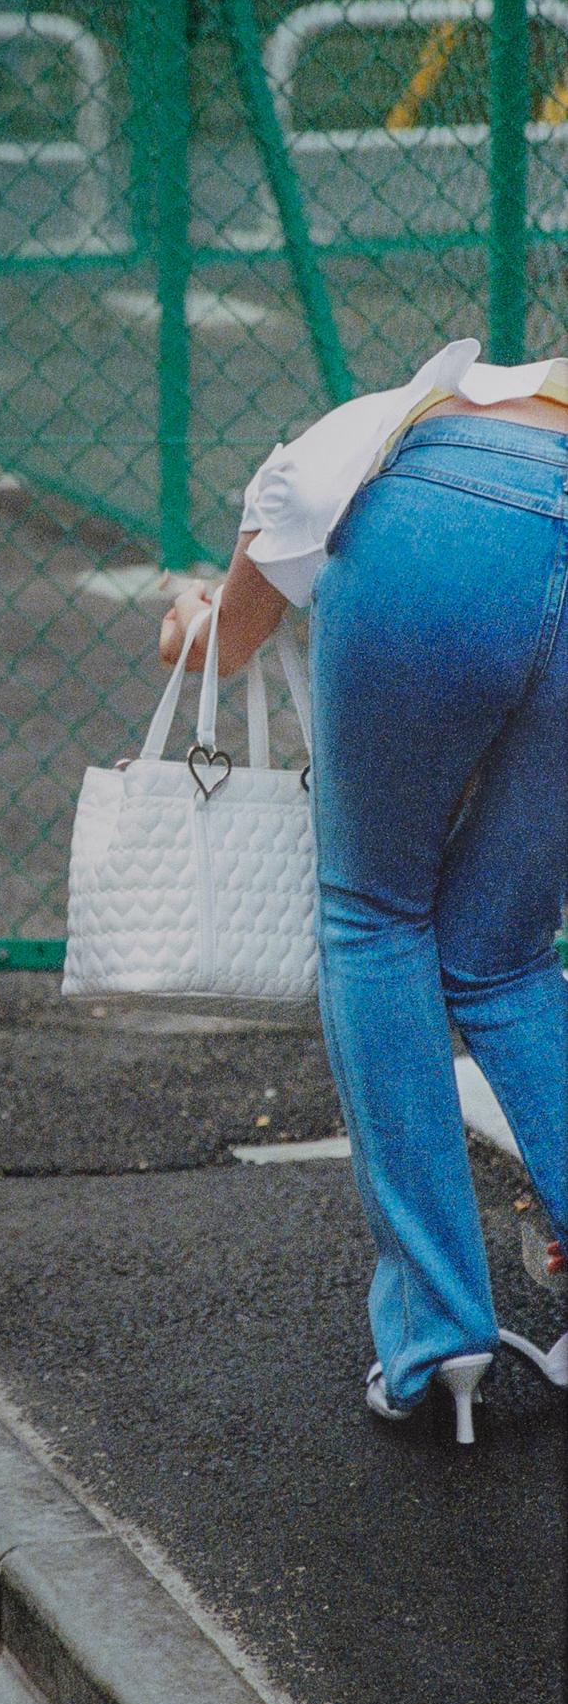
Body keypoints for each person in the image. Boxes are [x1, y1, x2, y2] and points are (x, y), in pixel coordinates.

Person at [159, 338, 568, 1442]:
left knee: (372, 914)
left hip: (441, 528)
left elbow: (221, 646)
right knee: (502, 954)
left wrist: (186, 612)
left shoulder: (345, 443)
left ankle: (438, 1337)